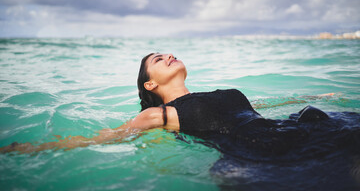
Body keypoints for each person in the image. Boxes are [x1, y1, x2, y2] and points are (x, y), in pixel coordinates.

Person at [1, 53, 360, 189]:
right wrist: (33, 148)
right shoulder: (155, 114)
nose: (169, 54)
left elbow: (269, 103)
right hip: (262, 156)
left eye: (168, 52)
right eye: (158, 58)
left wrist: (318, 99)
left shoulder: (221, 93)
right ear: (150, 84)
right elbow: (107, 137)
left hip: (299, 128)